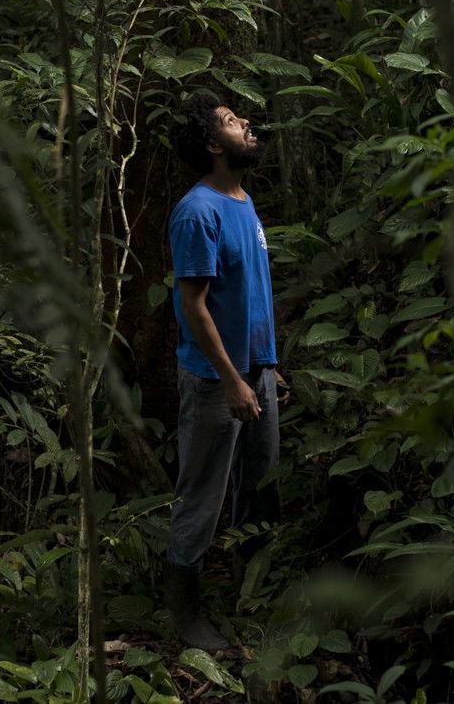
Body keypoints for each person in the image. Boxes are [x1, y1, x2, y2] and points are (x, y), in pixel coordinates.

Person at [162, 91, 288, 651]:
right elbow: (193, 305)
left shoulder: (242, 200)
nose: (248, 126)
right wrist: (233, 379)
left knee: (259, 488)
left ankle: (252, 597)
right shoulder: (198, 210)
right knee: (202, 498)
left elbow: (250, 294)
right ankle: (184, 616)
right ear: (215, 144)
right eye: (235, 123)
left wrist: (266, 367)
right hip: (217, 381)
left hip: (255, 373)